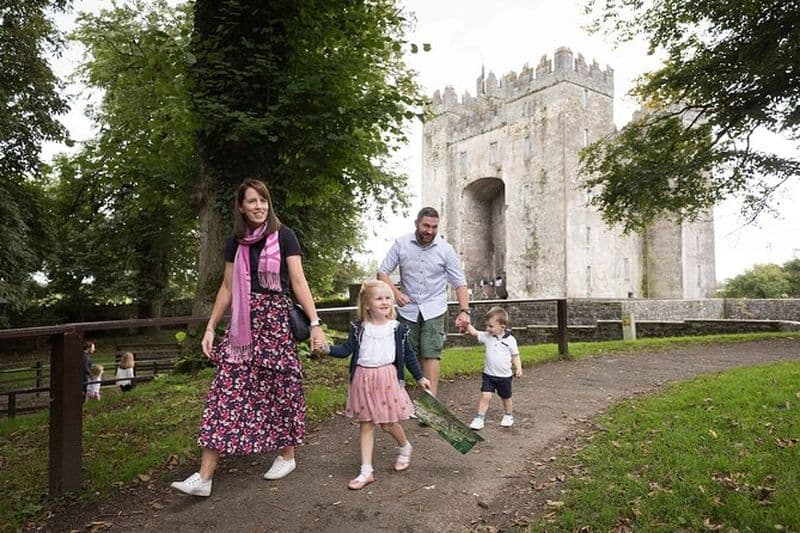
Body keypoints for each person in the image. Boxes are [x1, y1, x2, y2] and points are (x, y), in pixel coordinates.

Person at [171, 178, 325, 497]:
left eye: (263, 200)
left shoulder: (285, 236)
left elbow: (298, 282)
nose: (259, 206)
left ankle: (287, 455)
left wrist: (315, 323)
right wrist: (211, 327)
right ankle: (204, 477)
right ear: (241, 206)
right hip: (242, 328)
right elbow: (227, 287)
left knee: (281, 388)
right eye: (252, 201)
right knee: (224, 392)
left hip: (275, 324)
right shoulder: (235, 242)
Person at [315, 280, 430, 490]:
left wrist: (420, 377)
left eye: (388, 298)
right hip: (363, 380)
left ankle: (405, 447)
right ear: (367, 304)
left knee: (387, 424)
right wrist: (327, 349)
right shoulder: (359, 328)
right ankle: (366, 471)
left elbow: (408, 355)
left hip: (387, 380)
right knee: (366, 424)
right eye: (379, 299)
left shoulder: (397, 329)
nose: (385, 302)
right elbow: (346, 350)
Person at [377, 207, 471, 396]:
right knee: (407, 353)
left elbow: (459, 282)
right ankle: (411, 393)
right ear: (416, 224)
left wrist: (464, 311)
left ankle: (430, 401)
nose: (429, 231)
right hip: (408, 309)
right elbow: (382, 272)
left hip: (434, 308)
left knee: (430, 352)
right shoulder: (401, 244)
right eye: (426, 226)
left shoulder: (445, 249)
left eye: (434, 227)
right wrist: (396, 293)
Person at [465, 306, 522, 430]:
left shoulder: (510, 340)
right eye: (487, 326)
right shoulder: (487, 336)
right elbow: (475, 333)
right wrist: (467, 324)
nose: (487, 329)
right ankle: (479, 418)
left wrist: (518, 368)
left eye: (491, 326)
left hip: (504, 377)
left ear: (502, 327)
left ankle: (508, 415)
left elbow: (515, 355)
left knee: (506, 397)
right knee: (485, 396)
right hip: (489, 375)